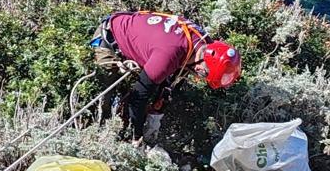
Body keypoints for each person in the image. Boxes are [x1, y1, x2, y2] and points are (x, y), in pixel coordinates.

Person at [91, 11, 241, 142]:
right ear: (200, 64)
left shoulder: (202, 44)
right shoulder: (169, 56)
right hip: (110, 37)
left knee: (160, 85)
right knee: (106, 93)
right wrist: (136, 135)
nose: (200, 77)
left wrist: (157, 112)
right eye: (203, 74)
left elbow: (172, 83)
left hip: (138, 31)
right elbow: (138, 98)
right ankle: (98, 130)